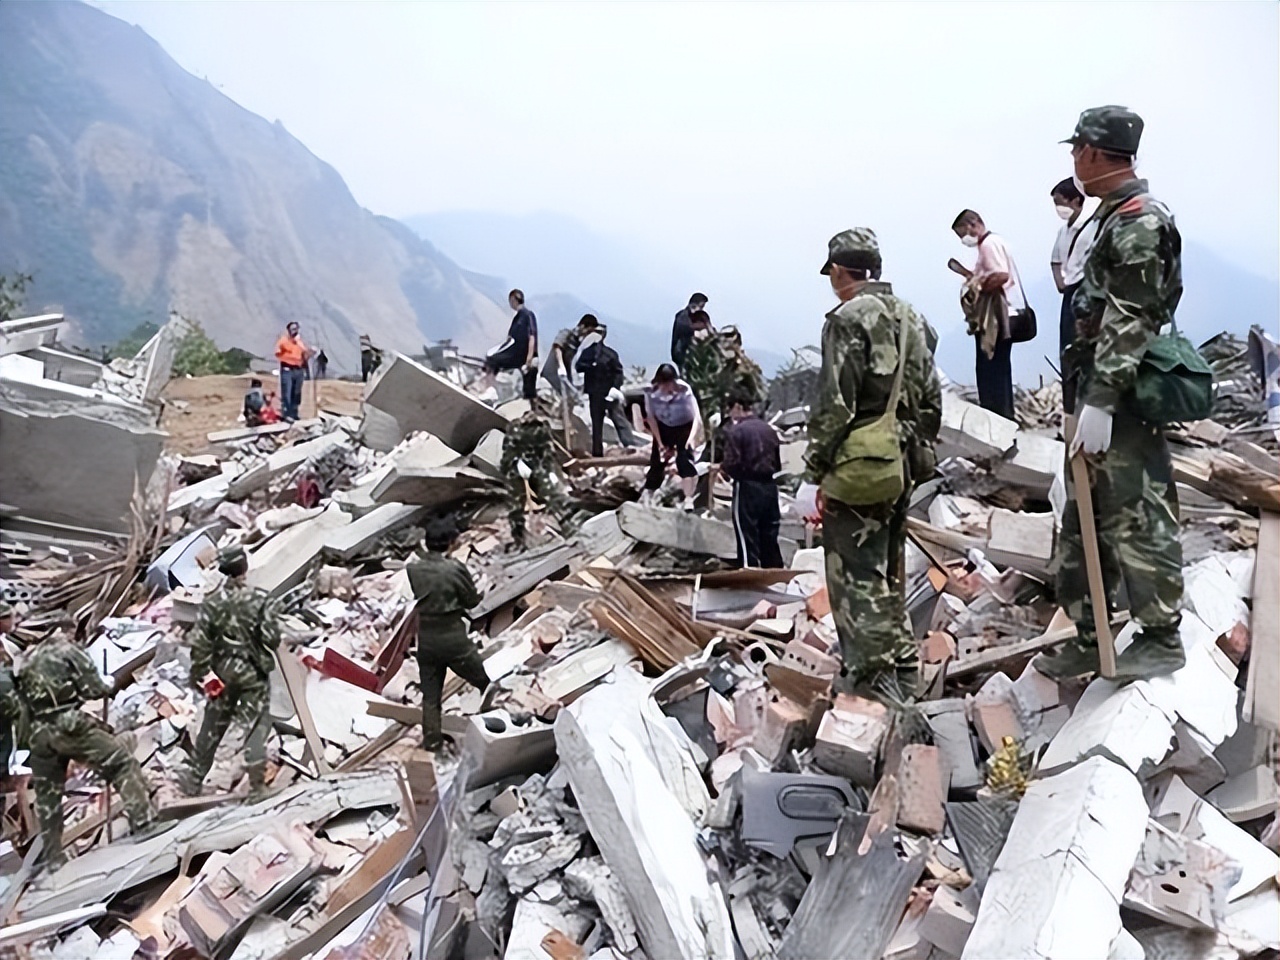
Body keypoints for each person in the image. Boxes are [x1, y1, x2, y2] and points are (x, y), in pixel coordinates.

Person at [1037, 105, 1186, 683]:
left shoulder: (1140, 221)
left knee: (1138, 513)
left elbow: (1132, 316)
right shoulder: (1107, 217)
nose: (1074, 160)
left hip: (1121, 399)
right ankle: (1087, 630)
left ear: (1097, 154)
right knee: (1082, 519)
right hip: (1094, 394)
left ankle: (1160, 634)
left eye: (1077, 151)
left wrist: (1101, 398)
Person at [797, 228, 942, 697]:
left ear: (841, 271)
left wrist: (813, 471)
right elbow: (931, 397)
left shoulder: (846, 320)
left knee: (855, 575)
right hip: (901, 461)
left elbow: (835, 404)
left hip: (859, 468)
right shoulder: (912, 318)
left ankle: (876, 678)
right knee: (890, 569)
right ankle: (903, 666)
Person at [8, 632, 156, 867]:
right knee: (121, 764)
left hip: (39, 732)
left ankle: (54, 858)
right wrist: (108, 682)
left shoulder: (28, 660)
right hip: (68, 725)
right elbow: (95, 689)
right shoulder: (68, 650)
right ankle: (144, 824)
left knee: (49, 794)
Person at [180, 546, 282, 798]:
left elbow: (200, 644)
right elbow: (271, 639)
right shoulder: (260, 599)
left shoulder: (212, 603)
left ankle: (194, 780)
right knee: (256, 725)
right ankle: (257, 787)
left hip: (222, 674)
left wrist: (201, 676)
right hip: (252, 675)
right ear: (244, 569)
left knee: (212, 726)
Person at [406, 518, 490, 750]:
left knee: (431, 699)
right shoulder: (454, 569)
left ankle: (432, 744)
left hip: (426, 638)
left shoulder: (413, 569)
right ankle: (493, 728)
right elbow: (471, 601)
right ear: (452, 542)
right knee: (485, 682)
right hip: (453, 636)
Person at [948, 211, 1026, 420]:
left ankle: (998, 420)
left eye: (963, 233)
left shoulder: (989, 244)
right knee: (998, 370)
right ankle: (1004, 417)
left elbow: (1000, 275)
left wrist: (979, 287)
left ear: (973, 225)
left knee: (991, 373)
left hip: (998, 316)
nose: (965, 239)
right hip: (1006, 313)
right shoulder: (994, 243)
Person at [1049, 178, 1101, 414]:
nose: (1059, 208)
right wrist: (1060, 282)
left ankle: (1085, 410)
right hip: (1069, 291)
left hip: (1085, 290)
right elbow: (1055, 260)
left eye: (1061, 202)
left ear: (1075, 200)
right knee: (1067, 352)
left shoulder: (1090, 229)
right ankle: (1070, 412)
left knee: (1084, 351)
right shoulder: (1063, 231)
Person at [722, 393, 783, 568]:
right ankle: (775, 577)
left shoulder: (737, 431)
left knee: (747, 535)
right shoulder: (769, 430)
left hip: (747, 486)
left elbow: (731, 463)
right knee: (769, 535)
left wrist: (726, 470)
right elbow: (777, 462)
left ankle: (751, 575)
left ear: (738, 407)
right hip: (770, 487)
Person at [500, 406, 575, 548]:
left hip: (534, 466)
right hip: (520, 467)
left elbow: (547, 450)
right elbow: (509, 451)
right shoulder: (516, 427)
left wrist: (550, 470)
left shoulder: (539, 427)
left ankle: (566, 525)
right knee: (517, 504)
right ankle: (520, 538)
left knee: (551, 496)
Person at [641, 363, 702, 508]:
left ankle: (688, 498)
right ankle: (649, 493)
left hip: (684, 426)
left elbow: (697, 418)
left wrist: (691, 438)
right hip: (663, 425)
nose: (670, 387)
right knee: (657, 461)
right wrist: (660, 442)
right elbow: (651, 418)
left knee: (684, 460)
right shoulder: (651, 393)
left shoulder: (685, 390)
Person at [576, 324, 640, 457]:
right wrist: (590, 366)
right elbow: (579, 367)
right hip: (595, 393)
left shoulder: (610, 354)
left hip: (609, 393)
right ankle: (597, 453)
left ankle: (630, 447)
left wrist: (615, 388)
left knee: (619, 420)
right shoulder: (587, 353)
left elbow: (618, 372)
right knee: (597, 424)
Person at [484, 289, 539, 400]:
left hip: (520, 355)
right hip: (515, 353)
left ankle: (490, 390)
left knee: (492, 361)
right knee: (492, 360)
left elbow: (532, 336)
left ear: (513, 299)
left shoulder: (527, 315)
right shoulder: (518, 317)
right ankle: (491, 390)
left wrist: (529, 358)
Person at [541, 314, 599, 397]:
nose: (587, 334)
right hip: (550, 378)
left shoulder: (578, 342)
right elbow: (557, 347)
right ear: (582, 326)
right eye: (588, 331)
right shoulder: (566, 333)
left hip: (564, 380)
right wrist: (561, 365)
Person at [274, 321, 312, 422]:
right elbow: (277, 352)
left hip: (298, 369)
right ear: (289, 330)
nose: (295, 331)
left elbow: (305, 355)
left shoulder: (300, 342)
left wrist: (305, 350)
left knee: (297, 392)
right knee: (287, 391)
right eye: (293, 329)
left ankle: (294, 412)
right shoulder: (283, 340)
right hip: (287, 369)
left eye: (296, 329)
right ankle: (287, 412)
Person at [670, 292, 710, 374]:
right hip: (683, 353)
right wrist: (695, 333)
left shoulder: (702, 317)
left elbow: (709, 328)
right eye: (701, 306)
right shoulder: (682, 316)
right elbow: (683, 328)